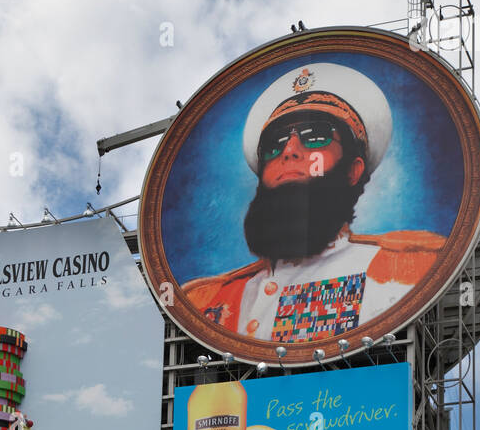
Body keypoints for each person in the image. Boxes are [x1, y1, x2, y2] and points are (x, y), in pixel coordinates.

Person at [181, 62, 445, 342]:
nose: (290, 150)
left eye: (315, 136)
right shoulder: (201, 302)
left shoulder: (415, 269)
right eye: (275, 142)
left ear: (353, 170)